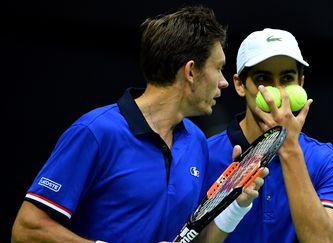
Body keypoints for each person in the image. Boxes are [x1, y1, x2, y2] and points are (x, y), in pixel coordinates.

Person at [11, 5, 267, 243]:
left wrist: (237, 205)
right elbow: (27, 229)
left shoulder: (196, 141)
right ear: (190, 72)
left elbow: (192, 239)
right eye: (219, 68)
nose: (223, 82)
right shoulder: (96, 132)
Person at [202, 28, 333, 242]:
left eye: (287, 78)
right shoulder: (202, 154)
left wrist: (289, 147)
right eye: (264, 78)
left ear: (301, 83)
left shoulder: (329, 161)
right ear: (240, 85)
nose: (278, 93)